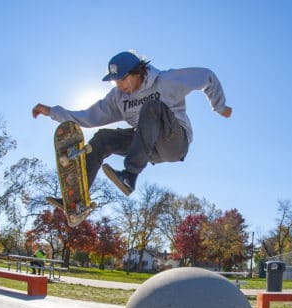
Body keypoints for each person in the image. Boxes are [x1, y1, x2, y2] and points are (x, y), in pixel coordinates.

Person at [32, 51, 232, 202]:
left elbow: (206, 76)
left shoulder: (166, 81)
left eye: (123, 80)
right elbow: (88, 117)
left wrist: (220, 106)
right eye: (115, 83)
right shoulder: (118, 98)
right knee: (103, 139)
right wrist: (52, 112)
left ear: (138, 72)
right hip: (147, 148)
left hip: (174, 142)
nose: (120, 86)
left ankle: (129, 176)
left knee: (151, 107)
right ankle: (77, 200)